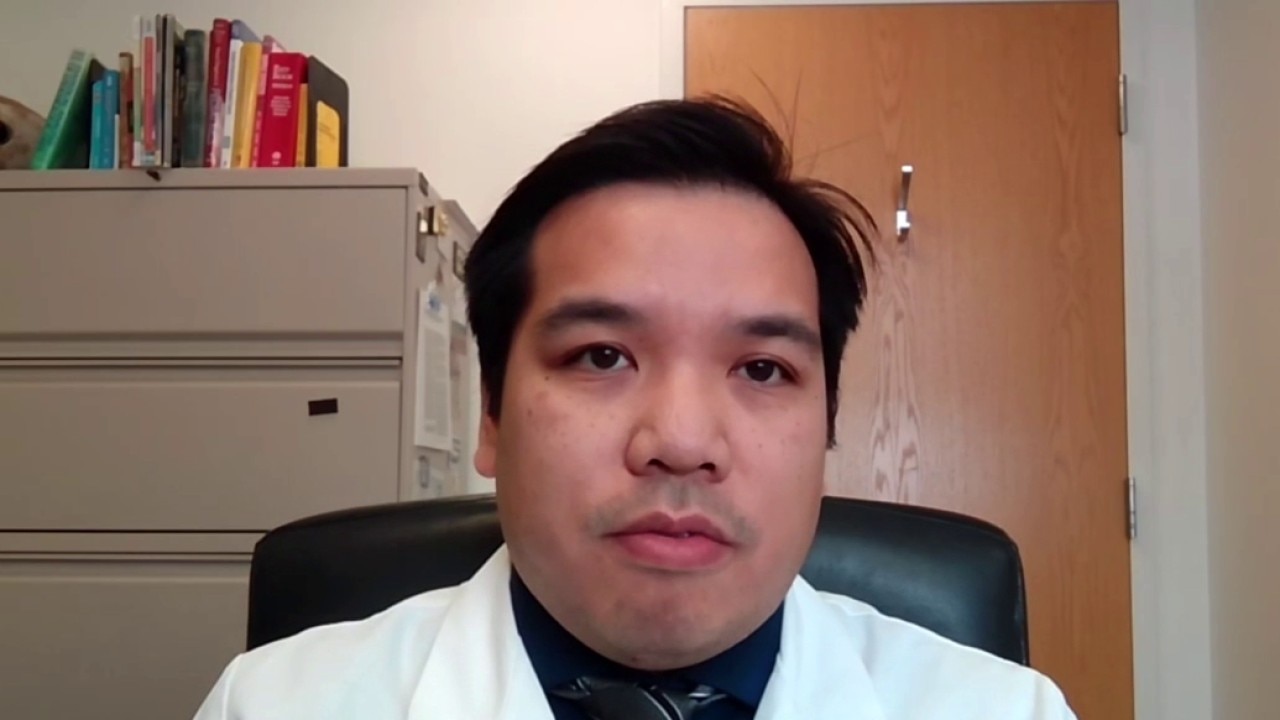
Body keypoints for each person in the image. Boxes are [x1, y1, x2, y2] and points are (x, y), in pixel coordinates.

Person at [192, 96, 1076, 720]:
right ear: (491, 414)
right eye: (602, 356)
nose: (682, 442)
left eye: (762, 368)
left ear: (827, 430)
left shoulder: (1005, 712)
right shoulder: (273, 707)